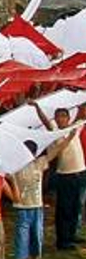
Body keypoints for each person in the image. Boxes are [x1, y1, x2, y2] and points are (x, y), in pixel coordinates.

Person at [11, 135, 76, 259]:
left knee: (37, 236)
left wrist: (70, 137)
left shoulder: (39, 163)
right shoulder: (15, 167)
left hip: (37, 206)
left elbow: (57, 150)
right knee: (23, 238)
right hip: (23, 207)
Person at [32, 103, 86, 249]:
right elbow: (46, 122)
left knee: (76, 207)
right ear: (55, 119)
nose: (61, 119)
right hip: (65, 176)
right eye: (58, 117)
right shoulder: (55, 133)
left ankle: (72, 234)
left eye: (63, 116)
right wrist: (37, 107)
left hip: (80, 173)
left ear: (68, 118)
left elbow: (82, 114)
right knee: (65, 208)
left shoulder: (74, 128)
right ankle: (63, 241)